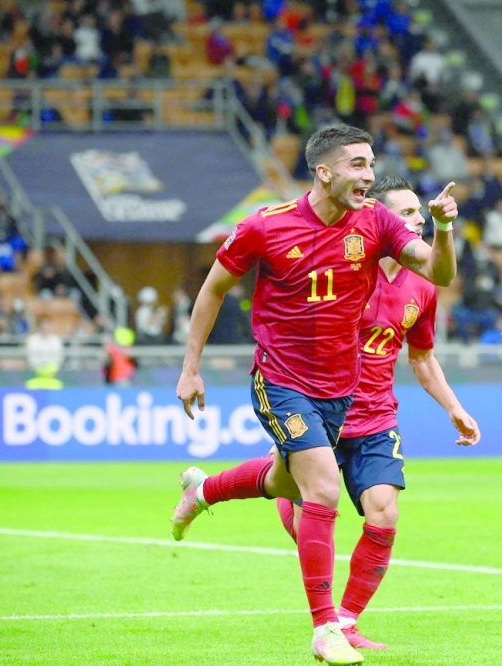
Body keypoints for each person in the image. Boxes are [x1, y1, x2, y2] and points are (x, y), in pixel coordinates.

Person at [170, 125, 457, 666]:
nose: (368, 176)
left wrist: (442, 230)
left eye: (371, 165)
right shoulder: (265, 227)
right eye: (357, 165)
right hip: (280, 379)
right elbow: (212, 289)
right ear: (324, 172)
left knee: (287, 480)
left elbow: (436, 272)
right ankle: (328, 628)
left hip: (340, 386)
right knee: (322, 487)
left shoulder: (375, 221)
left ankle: (203, 491)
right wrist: (191, 368)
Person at [274, 176, 481, 651]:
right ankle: (212, 490)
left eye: (417, 214)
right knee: (296, 503)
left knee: (384, 513)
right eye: (406, 214)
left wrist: (455, 407)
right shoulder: (344, 266)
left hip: (375, 418)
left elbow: (422, 358)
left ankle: (345, 622)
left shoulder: (423, 287)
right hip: (322, 408)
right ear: (380, 220)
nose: (416, 222)